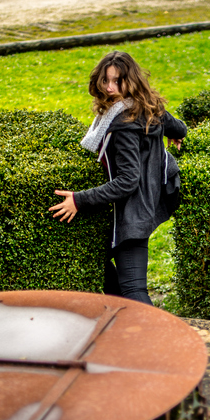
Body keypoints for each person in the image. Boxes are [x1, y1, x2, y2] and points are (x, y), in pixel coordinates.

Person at [49, 50, 187, 305]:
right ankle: (123, 320)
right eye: (105, 80)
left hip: (131, 214)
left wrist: (79, 200)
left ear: (130, 81)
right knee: (105, 273)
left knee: (134, 290)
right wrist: (174, 133)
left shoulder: (123, 124)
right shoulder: (148, 106)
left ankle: (153, 331)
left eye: (117, 81)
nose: (110, 88)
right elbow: (179, 127)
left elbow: (128, 180)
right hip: (144, 203)